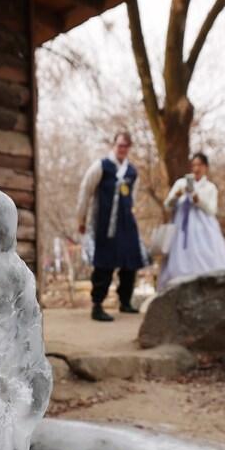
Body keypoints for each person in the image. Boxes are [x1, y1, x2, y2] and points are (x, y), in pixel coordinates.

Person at [75, 131, 146, 321]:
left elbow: (133, 197)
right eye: (120, 145)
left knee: (130, 262)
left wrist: (131, 213)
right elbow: (85, 192)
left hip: (126, 223)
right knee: (104, 263)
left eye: (126, 146)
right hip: (104, 224)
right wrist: (81, 219)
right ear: (114, 145)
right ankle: (97, 305)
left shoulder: (132, 171)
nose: (122, 149)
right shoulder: (101, 166)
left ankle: (125, 301)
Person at [157, 152, 225, 288]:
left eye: (199, 165)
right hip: (181, 230)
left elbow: (212, 210)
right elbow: (168, 205)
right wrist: (177, 194)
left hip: (204, 230)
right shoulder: (180, 183)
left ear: (206, 167)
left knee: (205, 259)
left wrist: (198, 199)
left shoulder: (210, 188)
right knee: (179, 260)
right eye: (193, 165)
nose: (196, 168)